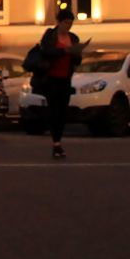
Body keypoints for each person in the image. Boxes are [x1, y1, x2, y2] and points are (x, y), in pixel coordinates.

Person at [33, 8, 86, 158]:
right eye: (66, 23)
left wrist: (77, 53)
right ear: (59, 22)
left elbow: (77, 60)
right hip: (51, 78)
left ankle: (58, 141)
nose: (68, 26)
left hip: (65, 79)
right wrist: (65, 51)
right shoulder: (50, 35)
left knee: (62, 112)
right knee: (54, 111)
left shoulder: (73, 38)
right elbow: (46, 51)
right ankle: (56, 143)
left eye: (71, 23)